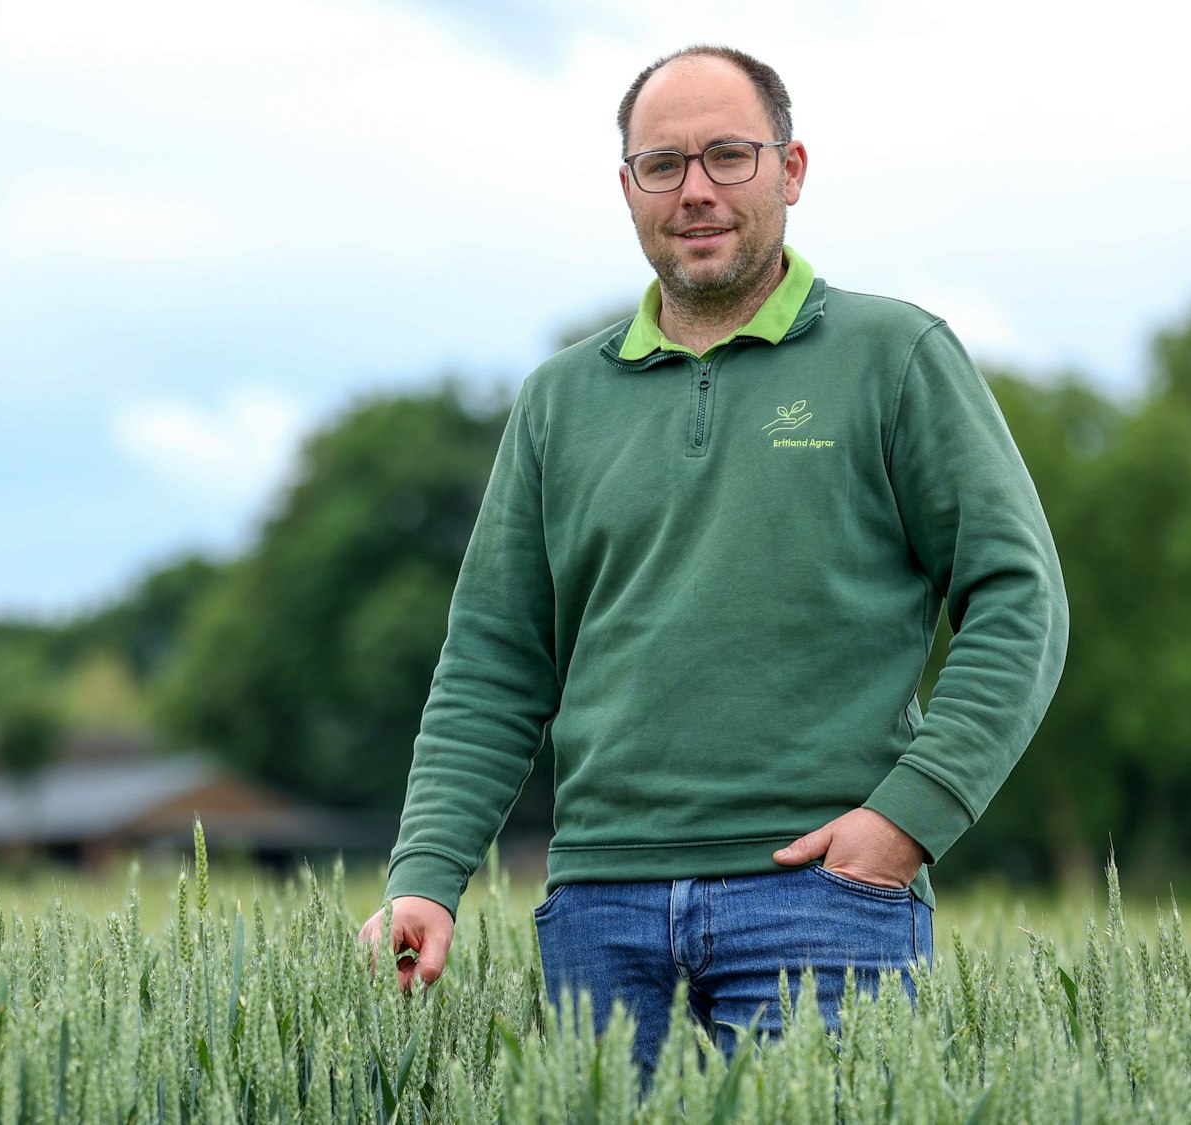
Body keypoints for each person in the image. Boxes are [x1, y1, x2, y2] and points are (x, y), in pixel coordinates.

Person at [356, 43, 1068, 1078]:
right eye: (663, 164)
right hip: (598, 911)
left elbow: (1019, 600)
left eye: (728, 156)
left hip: (822, 901)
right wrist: (426, 871)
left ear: (791, 170)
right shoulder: (559, 399)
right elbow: (493, 662)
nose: (695, 190)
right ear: (627, 189)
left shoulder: (895, 356)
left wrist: (907, 820)